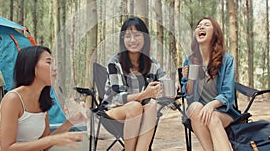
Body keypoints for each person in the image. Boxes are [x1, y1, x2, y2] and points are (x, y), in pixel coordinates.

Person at [0, 46, 85, 151]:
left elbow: (44, 143)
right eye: (49, 62)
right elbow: (7, 148)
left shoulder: (41, 99)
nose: (55, 68)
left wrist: (71, 122)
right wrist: (53, 140)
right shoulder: (13, 99)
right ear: (32, 67)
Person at [103, 16, 167, 151]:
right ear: (122, 39)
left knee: (151, 105)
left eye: (137, 35)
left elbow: (164, 79)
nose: (132, 40)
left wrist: (169, 85)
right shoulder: (115, 62)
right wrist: (145, 94)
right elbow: (117, 97)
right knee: (134, 107)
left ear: (145, 38)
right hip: (114, 112)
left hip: (141, 112)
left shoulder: (151, 62)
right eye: (128, 36)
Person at [181, 17, 240, 151]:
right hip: (199, 112)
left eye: (206, 25)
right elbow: (189, 96)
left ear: (215, 33)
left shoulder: (226, 59)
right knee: (195, 107)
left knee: (212, 117)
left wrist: (211, 105)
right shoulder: (189, 60)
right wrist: (190, 78)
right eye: (199, 25)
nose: (201, 27)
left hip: (223, 112)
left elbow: (228, 94)